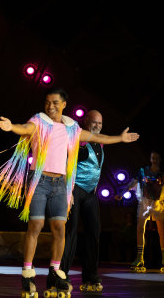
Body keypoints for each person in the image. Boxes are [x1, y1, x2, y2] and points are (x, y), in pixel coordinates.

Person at [0, 87, 139, 297]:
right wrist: (11, 127)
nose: (50, 106)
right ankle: (27, 272)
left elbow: (98, 138)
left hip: (61, 184)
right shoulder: (40, 121)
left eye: (55, 102)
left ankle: (56, 271)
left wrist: (120, 139)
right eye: (47, 102)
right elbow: (25, 128)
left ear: (63, 105)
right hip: (40, 181)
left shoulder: (72, 128)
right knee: (35, 225)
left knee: (60, 228)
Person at [59, 109, 105, 291]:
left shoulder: (100, 143)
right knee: (71, 233)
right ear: (86, 122)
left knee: (94, 233)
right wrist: (67, 191)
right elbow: (66, 163)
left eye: (100, 123)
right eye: (94, 122)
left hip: (90, 194)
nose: (97, 126)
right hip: (75, 190)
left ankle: (91, 276)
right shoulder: (79, 139)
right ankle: (61, 274)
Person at [115, 151, 164, 272]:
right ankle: (139, 257)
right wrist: (122, 194)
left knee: (162, 230)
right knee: (140, 229)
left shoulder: (162, 173)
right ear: (150, 159)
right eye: (152, 157)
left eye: (157, 157)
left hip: (157, 203)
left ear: (160, 159)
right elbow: (133, 182)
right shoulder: (143, 171)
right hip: (145, 203)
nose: (154, 159)